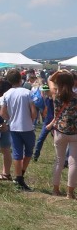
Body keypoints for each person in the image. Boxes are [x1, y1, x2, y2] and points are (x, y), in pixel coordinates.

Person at [0, 68, 37, 191]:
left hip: (14, 127)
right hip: (27, 127)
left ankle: (19, 176)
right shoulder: (27, 92)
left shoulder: (7, 94)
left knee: (17, 154)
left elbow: (2, 112)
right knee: (29, 152)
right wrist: (31, 120)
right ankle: (20, 174)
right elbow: (33, 111)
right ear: (20, 79)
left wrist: (10, 119)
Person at [47, 69, 77, 198]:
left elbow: (49, 79)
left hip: (59, 131)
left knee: (59, 161)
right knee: (73, 162)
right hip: (74, 132)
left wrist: (58, 72)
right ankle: (70, 193)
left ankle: (55, 190)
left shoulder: (55, 95)